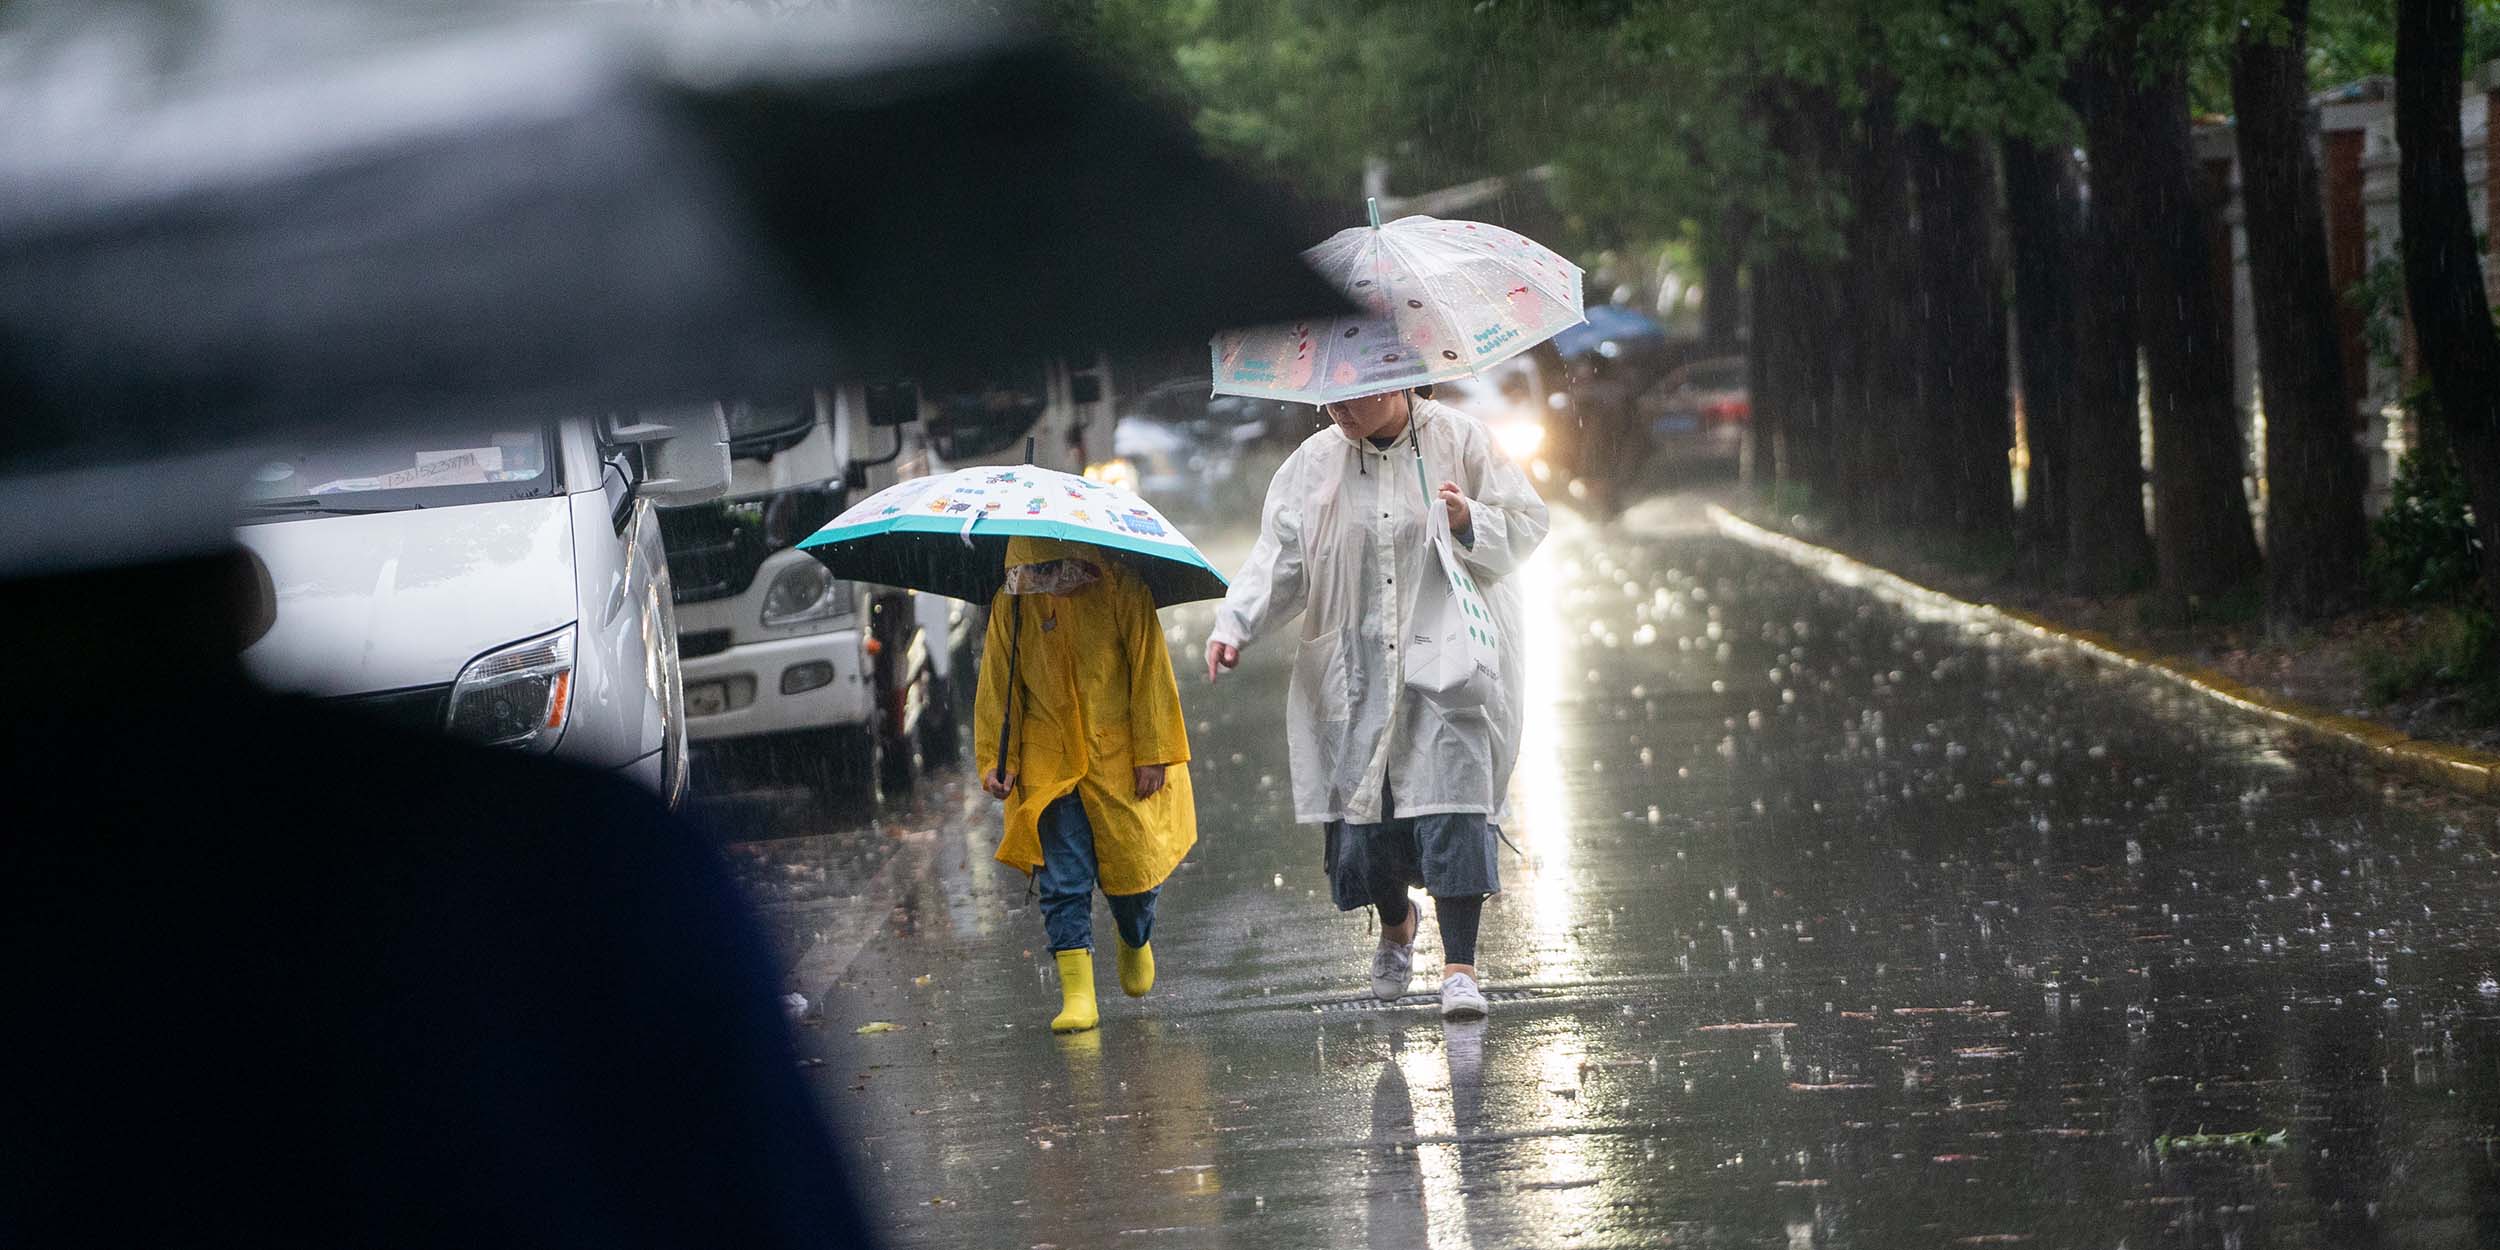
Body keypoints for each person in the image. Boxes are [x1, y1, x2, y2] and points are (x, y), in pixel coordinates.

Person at [1205, 386, 1548, 1020]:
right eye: (1329, 398)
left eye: (1353, 395)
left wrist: (1469, 518)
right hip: (1353, 671)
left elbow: (1527, 524)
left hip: (1444, 668)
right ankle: (1397, 923)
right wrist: (1236, 626)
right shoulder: (1312, 465)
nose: (1339, 409)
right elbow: (1279, 561)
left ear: (1395, 379)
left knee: (1454, 807)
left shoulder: (1461, 440)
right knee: (1365, 833)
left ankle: (1460, 969)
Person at [976, 536, 1197, 1034]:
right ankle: (1078, 994)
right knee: (1062, 879)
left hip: (1116, 756)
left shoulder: (1121, 587)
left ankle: (1134, 935)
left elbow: (1149, 670)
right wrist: (998, 757)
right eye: (1036, 575)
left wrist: (1154, 752)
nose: (1049, 585)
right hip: (1049, 762)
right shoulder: (1011, 606)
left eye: (1056, 572)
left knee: (1133, 873)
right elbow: (998, 687)